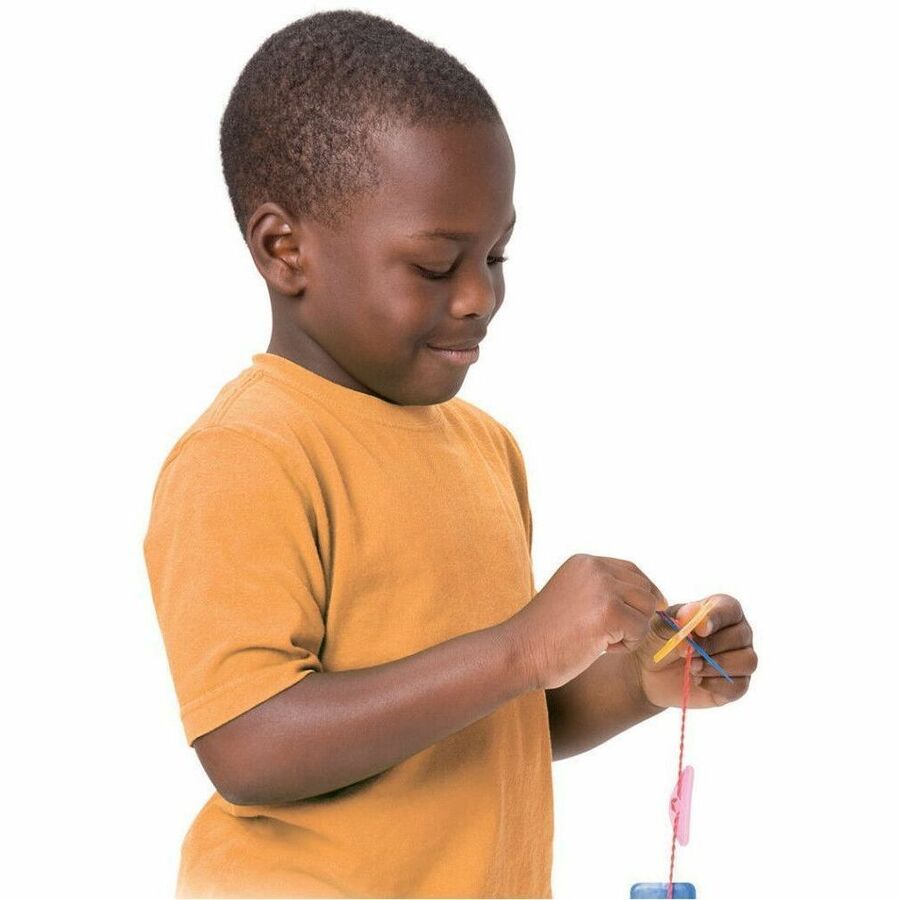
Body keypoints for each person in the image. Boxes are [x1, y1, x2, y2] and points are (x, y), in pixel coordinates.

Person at [142, 10, 758, 899]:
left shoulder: (484, 447)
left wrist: (641, 683)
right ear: (285, 250)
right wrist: (521, 648)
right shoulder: (246, 453)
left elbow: (495, 719)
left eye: (496, 255)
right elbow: (249, 748)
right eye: (435, 266)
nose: (479, 297)